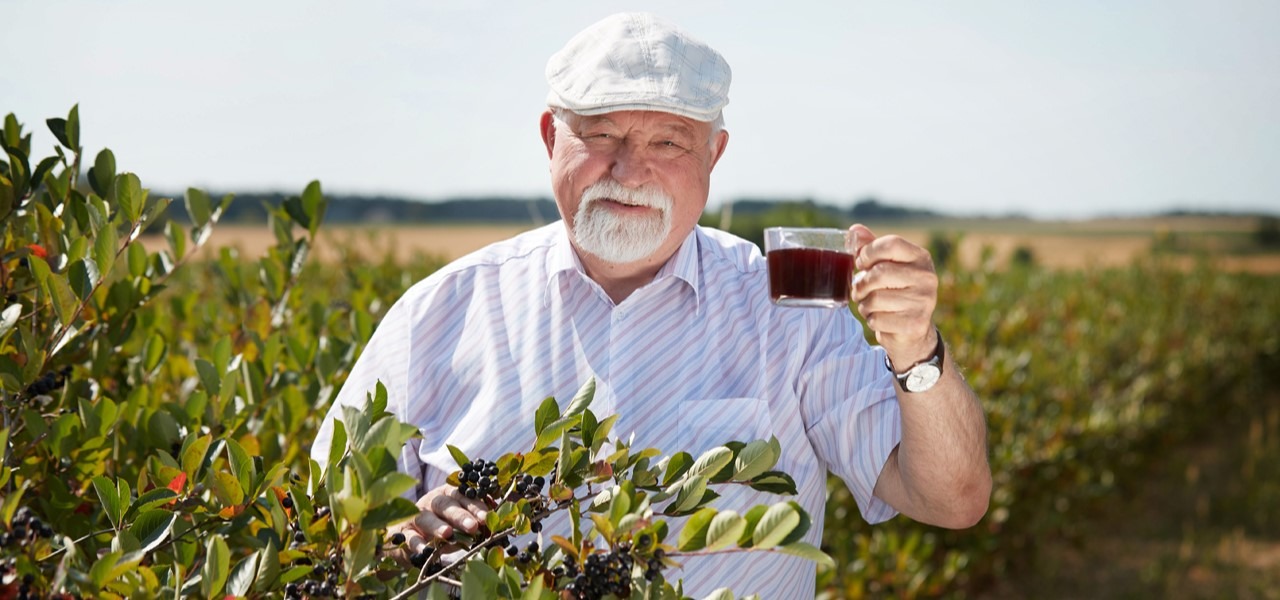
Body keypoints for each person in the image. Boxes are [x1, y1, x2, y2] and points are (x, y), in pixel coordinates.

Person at [313, 12, 990, 598]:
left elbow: (951, 500)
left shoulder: (789, 312)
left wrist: (915, 350)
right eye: (601, 135)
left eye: (667, 142)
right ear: (552, 138)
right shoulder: (436, 314)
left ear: (713, 154)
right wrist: (398, 536)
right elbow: (321, 539)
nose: (630, 170)